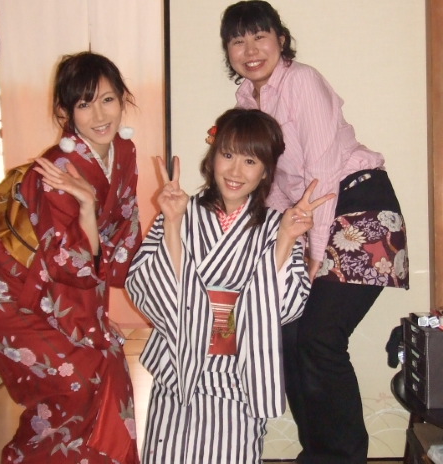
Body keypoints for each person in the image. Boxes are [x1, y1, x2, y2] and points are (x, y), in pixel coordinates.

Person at [220, 0, 409, 464]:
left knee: (320, 338)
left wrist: (314, 253)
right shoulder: (246, 101)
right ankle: (320, 452)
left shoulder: (301, 81)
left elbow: (322, 172)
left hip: (358, 208)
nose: (250, 50)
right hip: (312, 219)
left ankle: (342, 456)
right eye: (238, 41)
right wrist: (270, 245)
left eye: (260, 36)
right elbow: (274, 186)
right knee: (288, 335)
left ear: (280, 40)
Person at [0, 51, 142, 464]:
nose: (100, 115)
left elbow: (122, 240)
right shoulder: (57, 169)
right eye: (84, 104)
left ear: (122, 99)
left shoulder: (125, 152)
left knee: (109, 366)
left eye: (108, 99)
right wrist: (88, 211)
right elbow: (67, 263)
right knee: (75, 380)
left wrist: (91, 215)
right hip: (2, 285)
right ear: (65, 111)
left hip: (50, 287)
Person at [125, 108, 334, 463]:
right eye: (227, 155)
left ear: (266, 170)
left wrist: (285, 239)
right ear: (212, 157)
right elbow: (146, 288)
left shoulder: (279, 225)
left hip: (239, 376)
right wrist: (172, 223)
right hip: (177, 369)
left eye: (250, 161)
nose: (236, 171)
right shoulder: (179, 210)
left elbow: (286, 309)